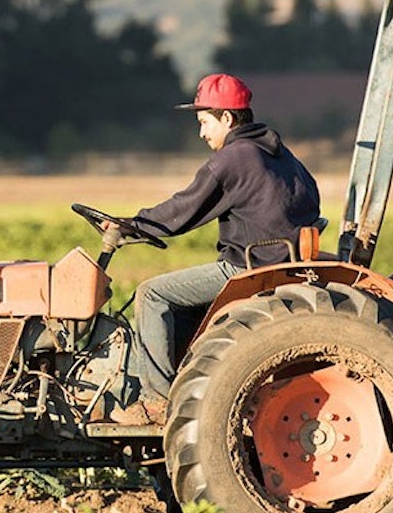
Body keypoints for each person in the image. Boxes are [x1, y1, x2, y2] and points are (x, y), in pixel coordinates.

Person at [106, 73, 321, 425]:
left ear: (227, 118)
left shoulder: (234, 159)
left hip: (249, 267)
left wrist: (131, 225)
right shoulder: (281, 154)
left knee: (152, 294)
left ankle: (156, 401)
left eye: (205, 122)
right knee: (181, 307)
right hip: (281, 259)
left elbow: (184, 209)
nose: (202, 133)